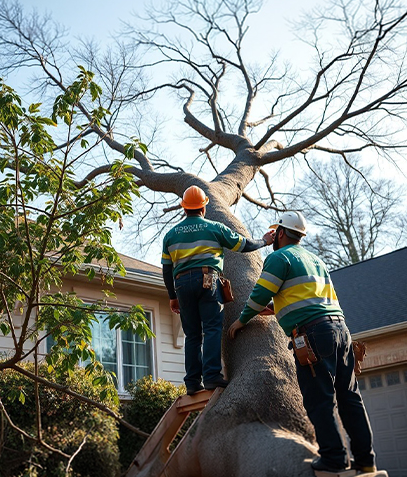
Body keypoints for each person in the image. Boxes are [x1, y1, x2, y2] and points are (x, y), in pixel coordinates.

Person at [228, 211, 376, 474]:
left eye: (276, 234)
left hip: (313, 335)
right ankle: (366, 460)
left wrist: (242, 320)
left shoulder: (278, 257)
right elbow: (309, 297)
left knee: (320, 398)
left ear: (282, 233)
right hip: (341, 331)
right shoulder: (315, 260)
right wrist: (279, 308)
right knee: (350, 397)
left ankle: (334, 459)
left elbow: (260, 292)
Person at [161, 185, 275, 396]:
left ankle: (192, 382)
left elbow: (167, 270)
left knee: (192, 335)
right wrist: (264, 241)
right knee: (212, 327)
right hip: (208, 280)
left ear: (184, 209)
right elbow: (244, 245)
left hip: (181, 284)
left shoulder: (171, 235)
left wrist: (172, 297)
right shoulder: (214, 228)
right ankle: (212, 376)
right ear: (203, 208)